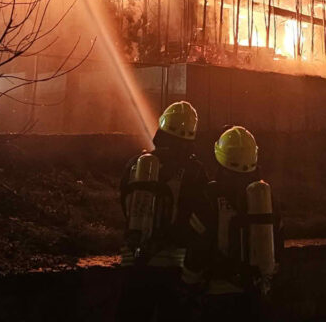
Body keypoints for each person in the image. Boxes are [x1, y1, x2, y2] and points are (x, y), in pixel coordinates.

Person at [116, 101, 210, 321]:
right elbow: (202, 218)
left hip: (135, 262)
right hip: (174, 267)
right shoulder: (195, 172)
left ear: (162, 128)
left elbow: (125, 204)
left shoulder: (136, 164)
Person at [199, 126, 282, 321]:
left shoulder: (211, 196)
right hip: (256, 295)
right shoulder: (267, 198)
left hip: (218, 296)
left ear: (221, 156)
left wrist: (187, 284)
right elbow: (278, 243)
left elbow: (198, 246)